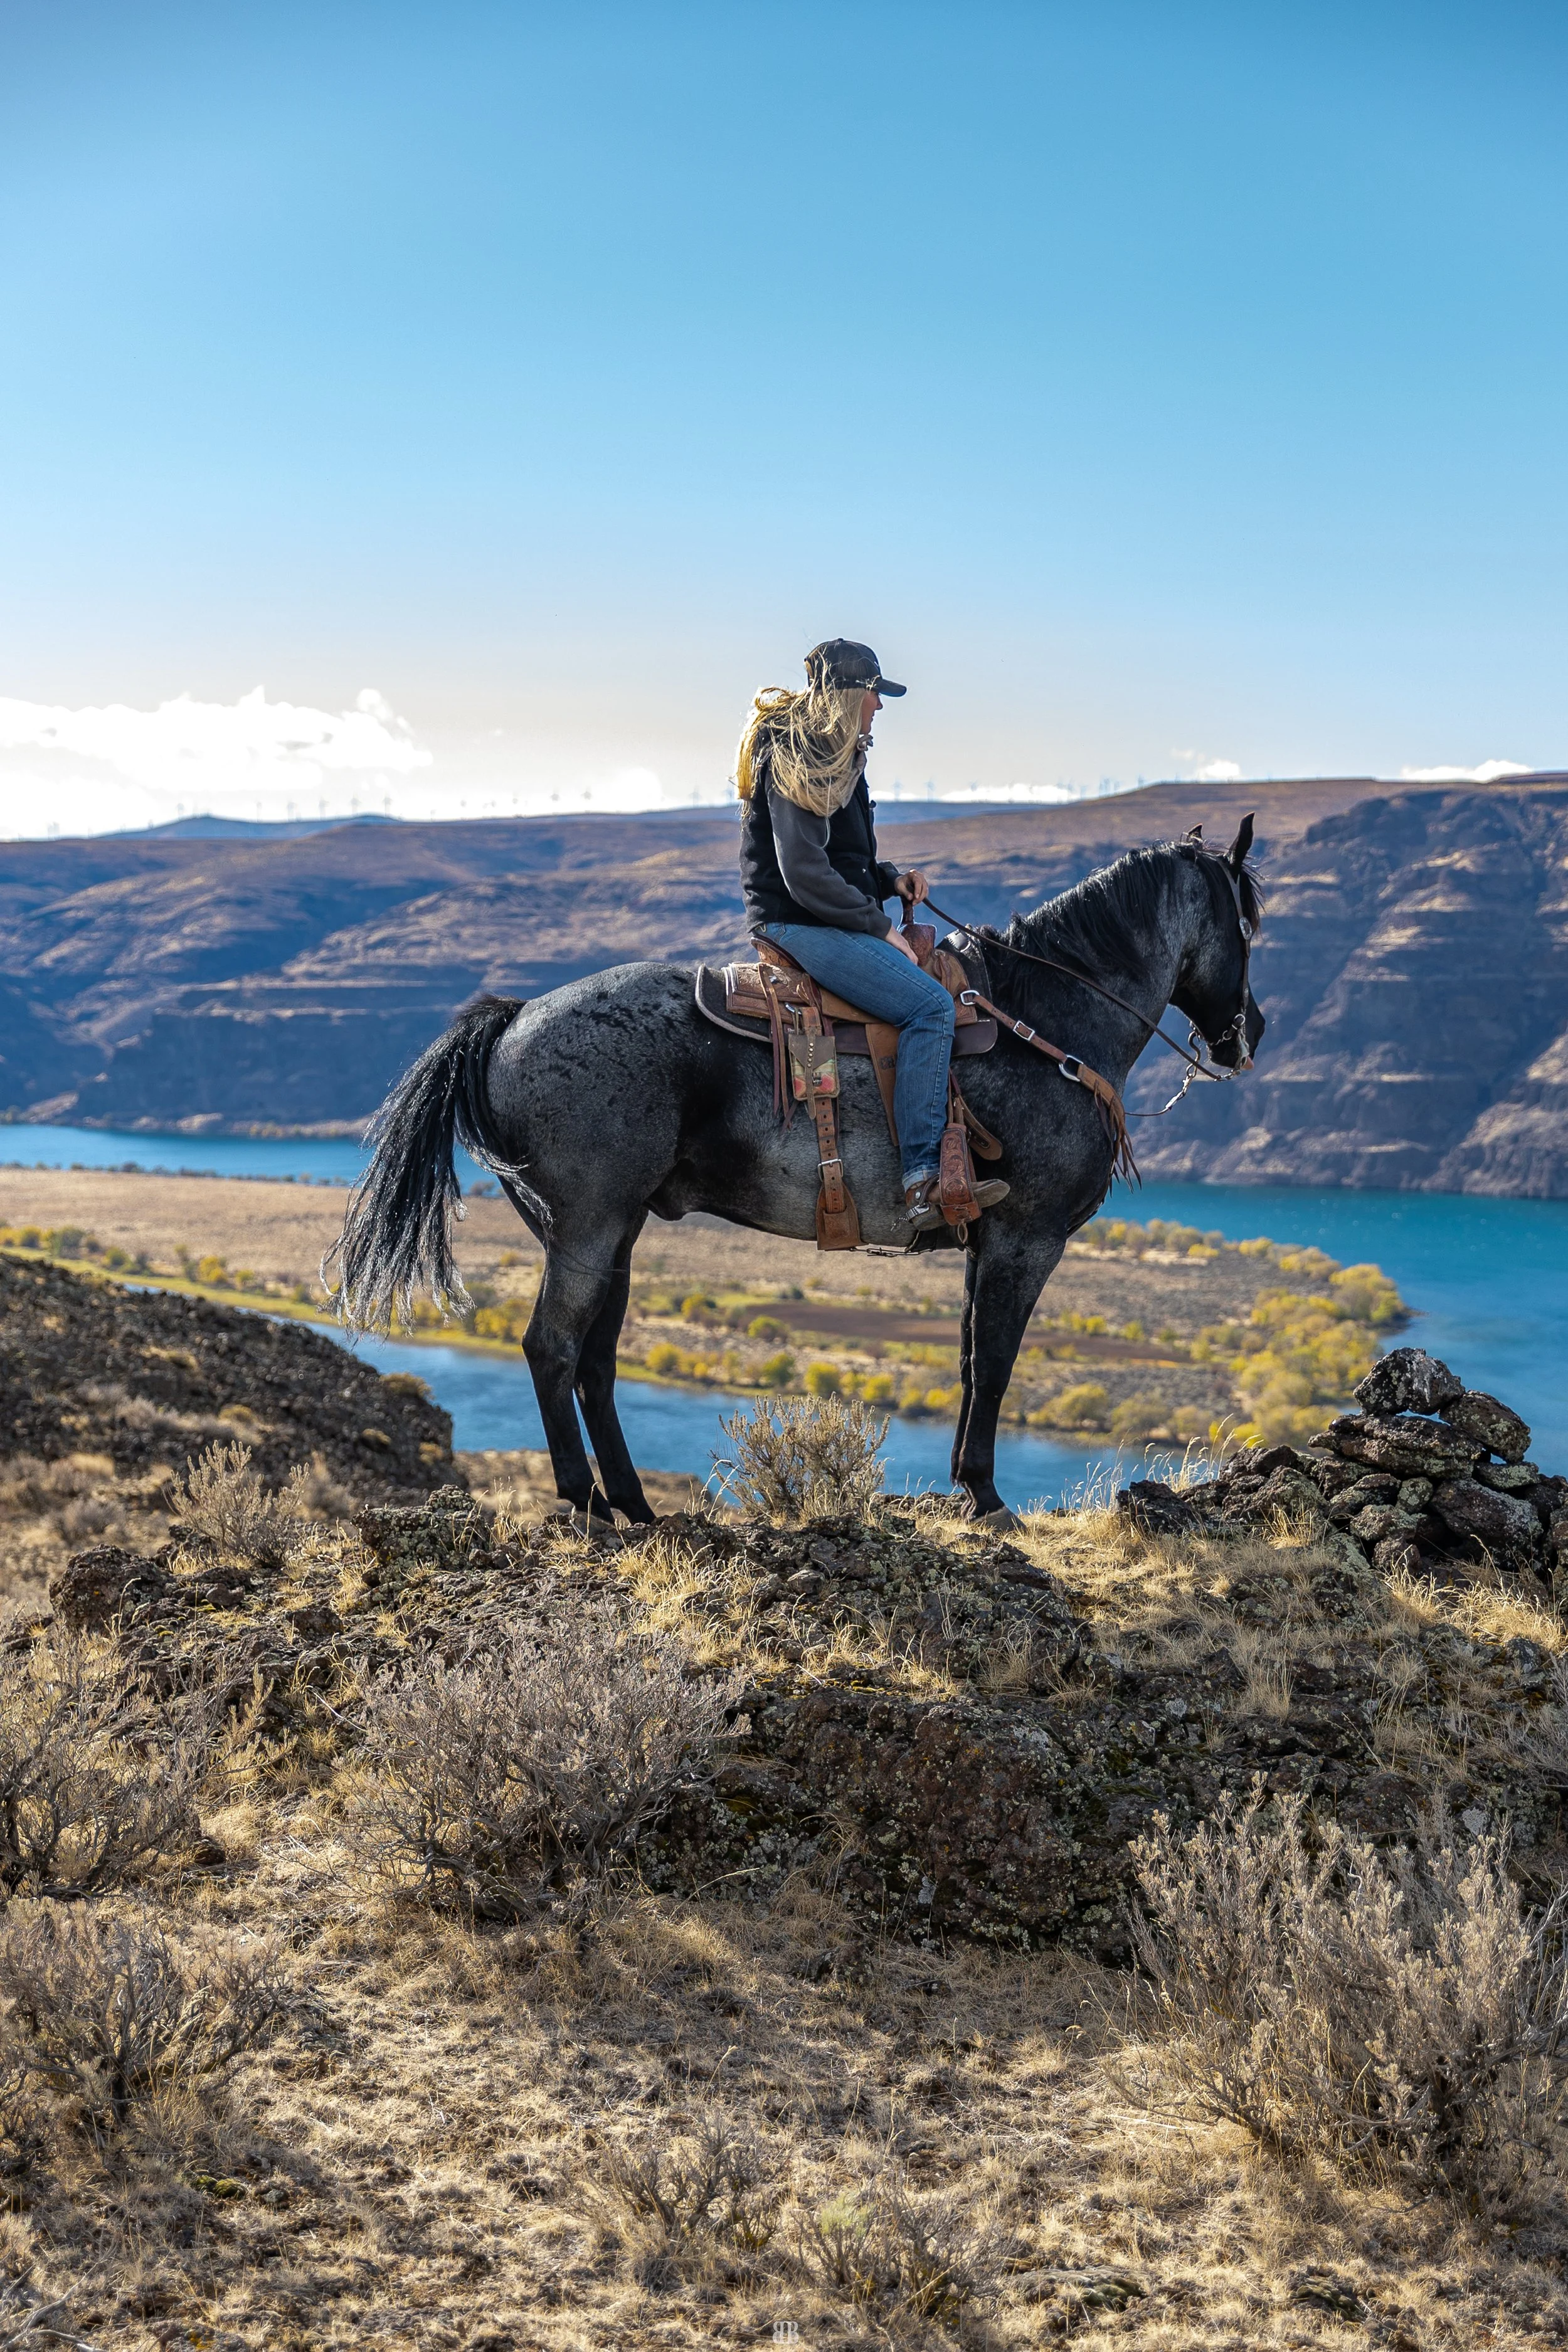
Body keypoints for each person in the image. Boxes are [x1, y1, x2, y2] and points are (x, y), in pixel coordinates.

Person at [736, 638, 1009, 1230]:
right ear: (852, 694)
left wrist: (890, 879)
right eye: (876, 695)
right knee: (931, 1008)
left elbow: (840, 861)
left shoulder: (836, 753)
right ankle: (921, 1181)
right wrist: (880, 928)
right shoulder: (798, 753)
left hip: (821, 915)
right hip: (799, 924)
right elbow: (803, 873)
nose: (880, 709)